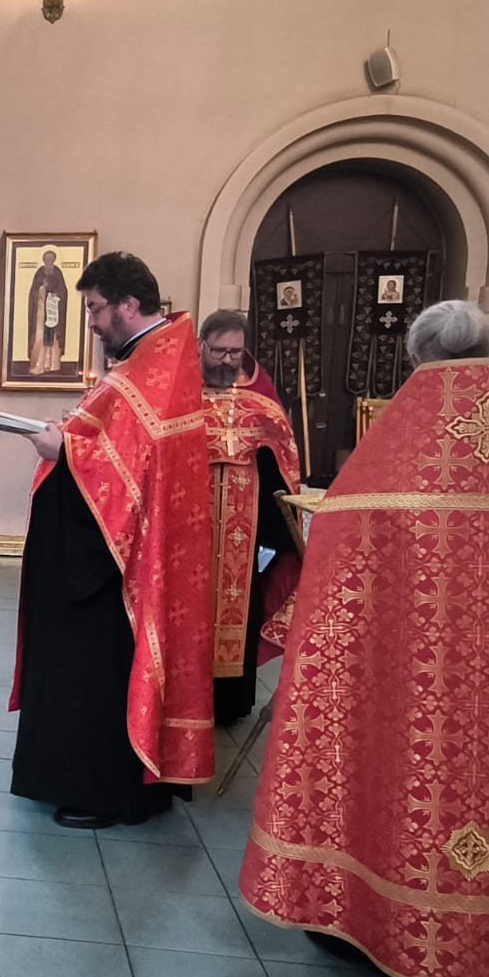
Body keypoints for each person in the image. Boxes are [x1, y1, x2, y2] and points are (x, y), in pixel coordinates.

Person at [241, 301, 489, 977]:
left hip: (413, 683)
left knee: (395, 777)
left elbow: (337, 569)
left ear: (418, 359)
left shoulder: (400, 452)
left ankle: (371, 918)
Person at [9, 251, 213, 829]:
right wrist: (74, 441)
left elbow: (132, 470)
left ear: (129, 304)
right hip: (113, 548)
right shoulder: (150, 362)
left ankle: (106, 792)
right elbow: (126, 453)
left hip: (114, 564)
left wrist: (65, 448)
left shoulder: (152, 370)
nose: (93, 322)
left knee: (98, 667)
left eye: (97, 309)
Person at [200, 310, 300, 726]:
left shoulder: (261, 402)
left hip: (245, 529)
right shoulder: (180, 398)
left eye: (235, 352)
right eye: (219, 351)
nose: (227, 360)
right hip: (192, 522)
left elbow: (282, 466)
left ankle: (229, 703)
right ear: (202, 347)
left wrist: (279, 533)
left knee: (241, 604)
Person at [27, 250, 67, 374]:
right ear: (44, 260)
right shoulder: (39, 272)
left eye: (51, 259)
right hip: (40, 312)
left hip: (53, 311)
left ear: (54, 260)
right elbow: (33, 291)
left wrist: (55, 295)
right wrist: (41, 289)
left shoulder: (57, 273)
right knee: (39, 336)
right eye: (46, 259)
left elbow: (63, 291)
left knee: (53, 336)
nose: (48, 261)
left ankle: (53, 364)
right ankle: (38, 363)